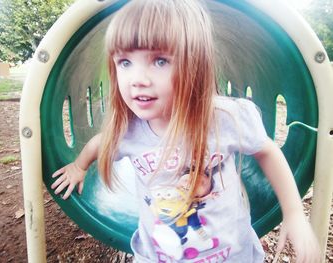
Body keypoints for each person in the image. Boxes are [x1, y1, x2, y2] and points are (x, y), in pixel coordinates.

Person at [51, 0, 320, 262]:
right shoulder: (129, 133)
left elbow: (266, 150)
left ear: (196, 65)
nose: (138, 80)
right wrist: (79, 166)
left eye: (159, 61)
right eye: (125, 62)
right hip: (160, 254)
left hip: (233, 254)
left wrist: (294, 212)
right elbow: (101, 144)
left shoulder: (224, 118)